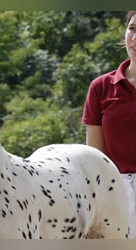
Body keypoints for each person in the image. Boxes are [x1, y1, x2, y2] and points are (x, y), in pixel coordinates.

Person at [82, 11, 136, 239]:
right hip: (115, 194)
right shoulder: (101, 87)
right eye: (132, 29)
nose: (135, 38)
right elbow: (95, 157)